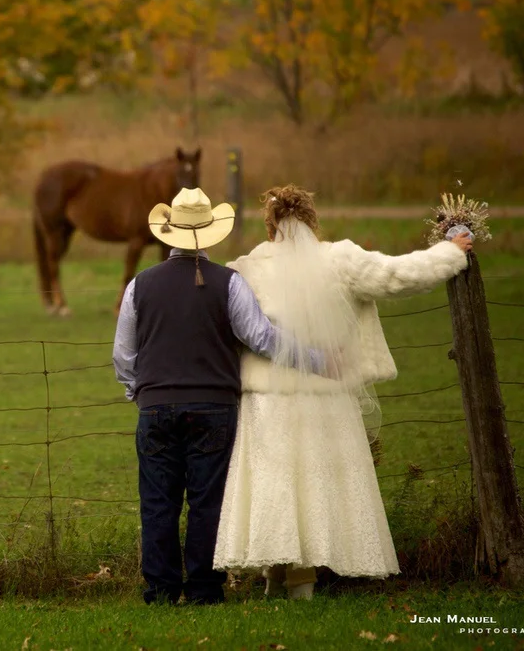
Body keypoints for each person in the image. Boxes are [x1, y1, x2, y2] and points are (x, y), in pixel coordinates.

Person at [212, 184, 473, 600]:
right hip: (326, 391)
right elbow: (397, 275)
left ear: (271, 225)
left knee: (276, 481)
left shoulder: (245, 267)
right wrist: (451, 252)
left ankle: (275, 579)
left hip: (267, 398)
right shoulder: (340, 259)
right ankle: (302, 581)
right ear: (312, 220)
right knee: (316, 481)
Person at [112, 187, 333, 606]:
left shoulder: (139, 285)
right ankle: (203, 589)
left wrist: (138, 392)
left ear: (168, 234)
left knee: (157, 501)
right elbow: (262, 338)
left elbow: (123, 355)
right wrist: (318, 359)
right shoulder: (229, 283)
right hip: (214, 408)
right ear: (210, 235)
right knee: (207, 501)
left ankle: (159, 591)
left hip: (155, 407)